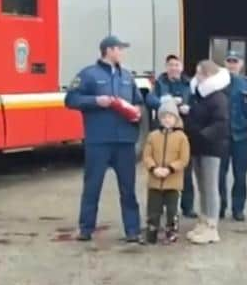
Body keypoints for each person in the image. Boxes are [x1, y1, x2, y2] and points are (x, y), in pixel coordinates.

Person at [66, 35, 144, 242]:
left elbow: (138, 101)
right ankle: (85, 229)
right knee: (92, 186)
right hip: (99, 140)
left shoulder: (127, 76)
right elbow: (70, 99)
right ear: (109, 50)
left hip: (125, 141)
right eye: (120, 49)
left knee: (128, 189)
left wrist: (137, 110)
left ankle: (133, 230)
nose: (122, 53)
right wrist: (95, 101)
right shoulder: (88, 75)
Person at [183, 60, 230, 244]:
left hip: (212, 148)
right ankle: (203, 220)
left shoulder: (217, 97)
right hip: (197, 147)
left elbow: (221, 123)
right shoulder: (199, 95)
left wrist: (202, 135)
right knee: (201, 186)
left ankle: (212, 226)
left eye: (199, 73)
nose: (197, 77)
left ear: (209, 75)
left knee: (211, 187)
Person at [145, 54, 197, 219]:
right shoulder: (159, 83)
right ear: (166, 67)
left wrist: (188, 107)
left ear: (181, 67)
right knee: (161, 167)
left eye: (177, 65)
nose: (174, 68)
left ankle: (187, 207)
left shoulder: (190, 84)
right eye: (170, 65)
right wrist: (165, 103)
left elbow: (197, 103)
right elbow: (149, 99)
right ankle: (161, 209)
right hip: (163, 134)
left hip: (184, 132)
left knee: (185, 169)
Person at [142, 99, 191, 244]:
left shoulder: (181, 137)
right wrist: (153, 168)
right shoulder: (153, 136)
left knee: (172, 210)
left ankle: (171, 232)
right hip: (155, 180)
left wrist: (170, 169)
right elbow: (147, 155)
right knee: (153, 209)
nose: (167, 120)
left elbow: (184, 159)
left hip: (173, 181)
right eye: (163, 117)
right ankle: (152, 232)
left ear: (176, 118)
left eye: (170, 117)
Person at [219, 50, 247, 221]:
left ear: (241, 64)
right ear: (225, 63)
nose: (232, 64)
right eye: (229, 61)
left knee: (240, 174)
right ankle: (220, 206)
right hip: (221, 134)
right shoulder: (217, 83)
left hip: (241, 135)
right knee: (219, 174)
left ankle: (238, 208)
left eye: (235, 61)